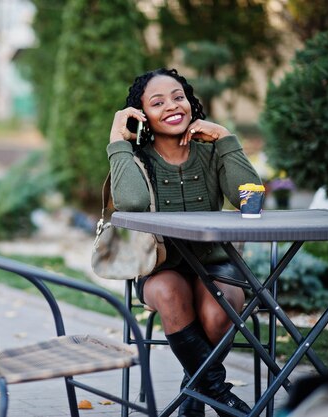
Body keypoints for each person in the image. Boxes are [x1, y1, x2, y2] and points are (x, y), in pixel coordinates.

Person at [107, 68, 262, 417]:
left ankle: (194, 393)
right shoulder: (134, 157)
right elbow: (130, 203)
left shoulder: (211, 152)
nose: (172, 106)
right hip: (160, 264)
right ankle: (221, 396)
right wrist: (118, 138)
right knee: (168, 293)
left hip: (216, 263)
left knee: (217, 309)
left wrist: (225, 137)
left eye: (179, 97)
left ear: (190, 102)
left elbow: (249, 198)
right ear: (142, 114)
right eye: (158, 102)